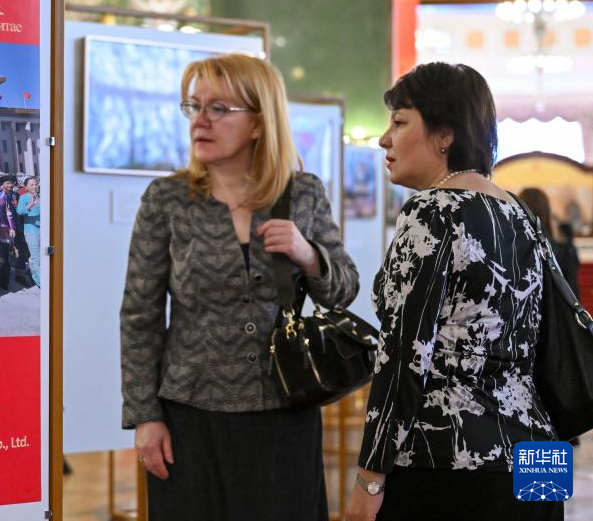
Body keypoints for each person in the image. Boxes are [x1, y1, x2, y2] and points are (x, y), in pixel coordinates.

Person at [120, 54, 358, 521]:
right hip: (190, 417)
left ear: (258, 123)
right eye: (194, 106)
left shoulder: (302, 192)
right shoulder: (166, 200)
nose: (200, 121)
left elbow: (344, 289)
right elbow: (139, 316)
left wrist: (308, 254)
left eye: (218, 109)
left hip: (284, 412)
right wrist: (145, 416)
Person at [346, 62, 561, 521]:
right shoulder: (521, 214)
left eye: (399, 122)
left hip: (451, 454)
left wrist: (369, 477)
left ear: (445, 135)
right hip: (540, 450)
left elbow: (403, 354)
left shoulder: (432, 211)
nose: (384, 139)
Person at [17, 176, 41, 288]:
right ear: (26, 187)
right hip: (31, 230)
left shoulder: (42, 196)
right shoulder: (24, 197)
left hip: (43, 229)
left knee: (44, 254)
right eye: (31, 185)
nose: (34, 186)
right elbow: (20, 211)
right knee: (35, 255)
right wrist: (32, 203)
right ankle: (39, 280)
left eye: (36, 184)